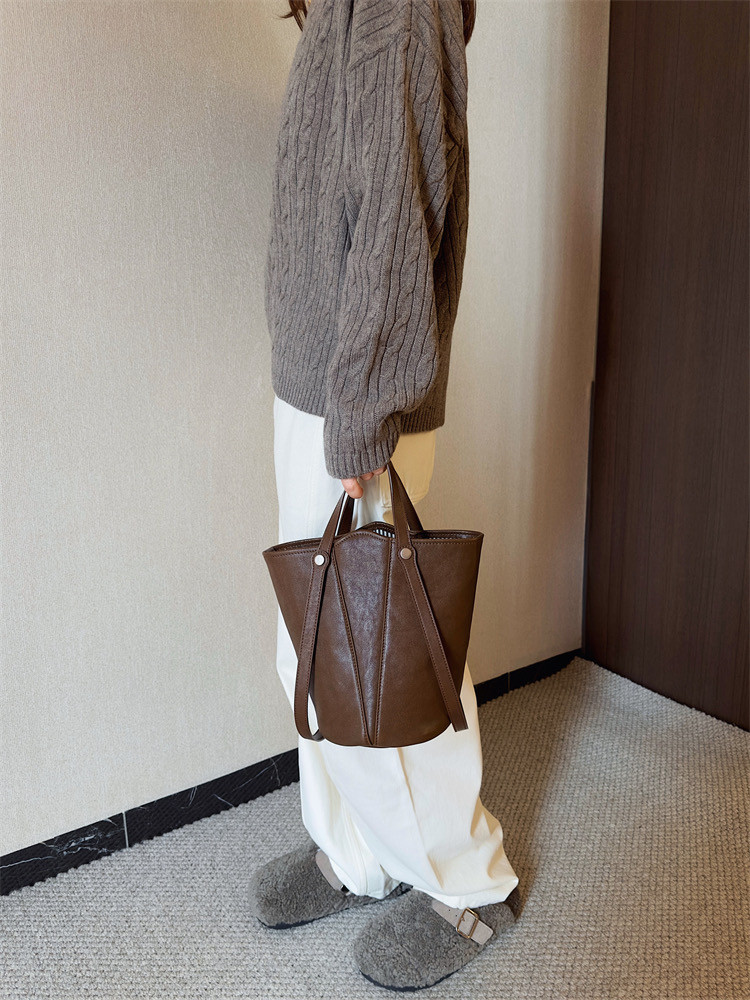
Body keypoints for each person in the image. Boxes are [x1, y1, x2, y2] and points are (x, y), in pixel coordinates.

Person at [250, 0, 521, 990]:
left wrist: (363, 413)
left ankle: (469, 878)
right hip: (318, 385)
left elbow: (399, 207)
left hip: (355, 400)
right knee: (316, 636)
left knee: (380, 644)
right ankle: (361, 854)